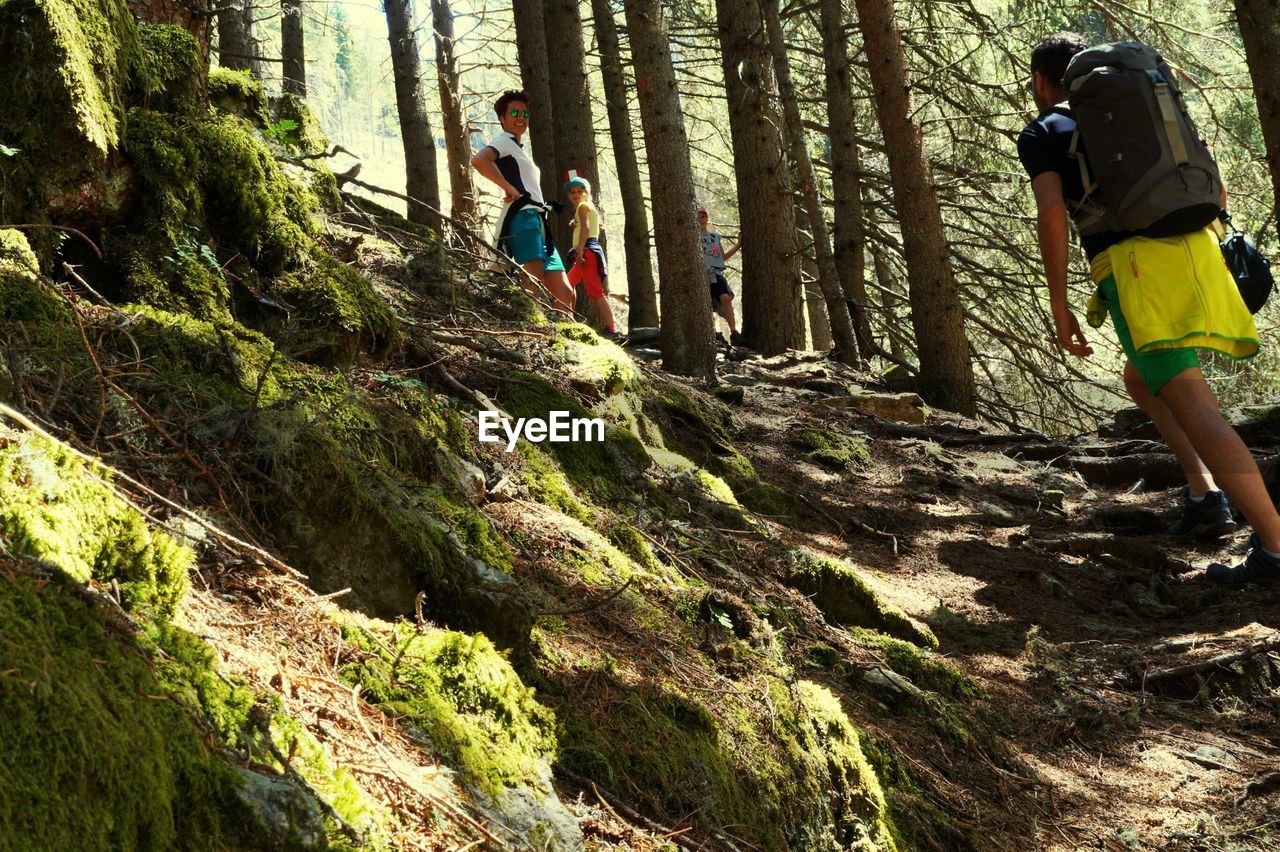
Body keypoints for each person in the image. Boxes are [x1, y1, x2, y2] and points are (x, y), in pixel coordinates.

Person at [1019, 32, 1280, 585]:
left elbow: (1051, 216)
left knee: (1193, 403)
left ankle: (1276, 547)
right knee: (1143, 379)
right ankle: (1204, 493)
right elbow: (1217, 189)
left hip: (1137, 271)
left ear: (1043, 82)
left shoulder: (1047, 129)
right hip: (1199, 252)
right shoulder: (1141, 107)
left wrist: (1060, 300)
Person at [470, 90, 575, 319]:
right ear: (502, 118)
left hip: (538, 221)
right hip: (524, 218)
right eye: (514, 113)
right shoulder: (503, 141)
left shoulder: (517, 148)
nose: (521, 117)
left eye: (525, 113)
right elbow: (478, 160)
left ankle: (564, 342)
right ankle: (532, 334)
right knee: (532, 284)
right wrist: (509, 188)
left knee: (566, 293)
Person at [563, 176, 621, 341]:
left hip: (587, 251)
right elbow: (587, 225)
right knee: (567, 284)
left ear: (586, 193)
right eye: (572, 192)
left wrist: (580, 250)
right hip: (587, 250)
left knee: (596, 292)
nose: (576, 194)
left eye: (580, 191)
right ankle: (568, 320)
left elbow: (586, 228)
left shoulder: (583, 205)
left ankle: (613, 330)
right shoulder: (587, 207)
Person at [697, 205, 743, 346]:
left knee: (725, 298)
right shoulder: (691, 238)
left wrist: (738, 244)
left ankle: (734, 332)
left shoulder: (714, 238)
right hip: (699, 276)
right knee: (705, 306)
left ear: (707, 218)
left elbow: (722, 256)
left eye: (703, 216)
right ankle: (711, 335)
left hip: (715, 274)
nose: (701, 219)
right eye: (698, 217)